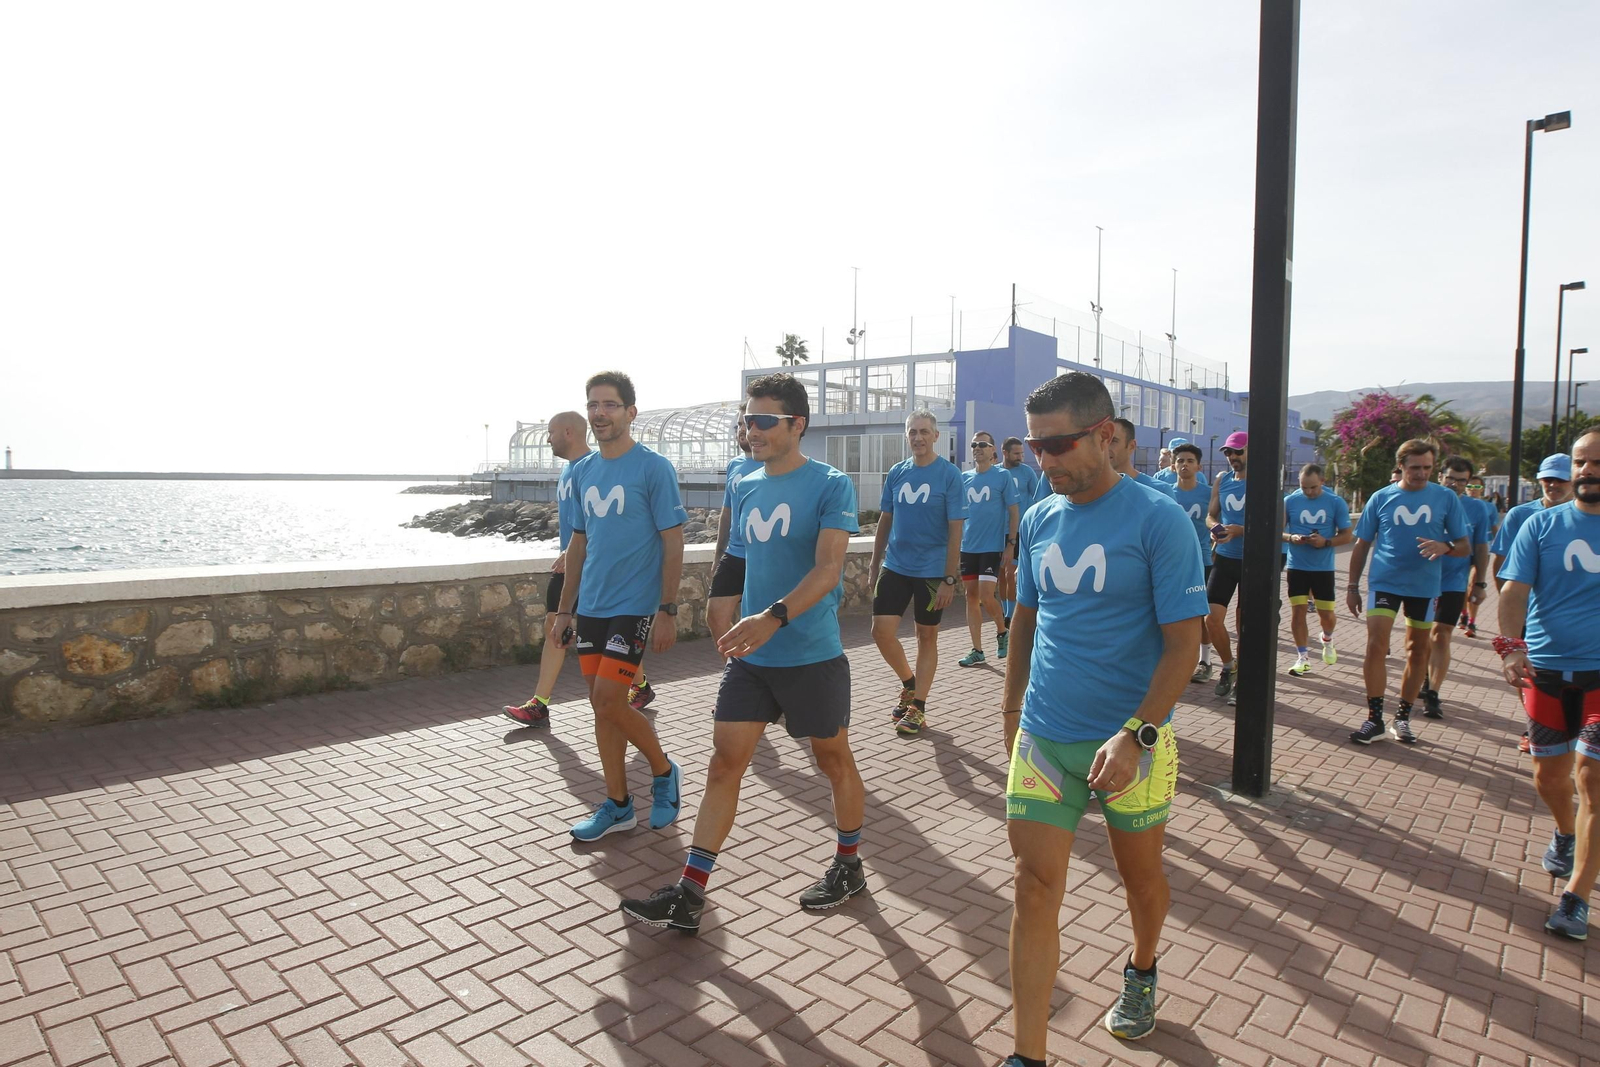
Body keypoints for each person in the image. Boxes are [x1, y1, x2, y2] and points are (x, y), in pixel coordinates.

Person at [1001, 372, 1207, 1057]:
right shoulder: (1037, 517)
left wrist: (1137, 732)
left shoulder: (1159, 519)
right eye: (1035, 446)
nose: (1044, 459)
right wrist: (1012, 715)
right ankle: (1029, 1051)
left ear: (1106, 434)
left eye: (1057, 443)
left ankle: (1142, 964)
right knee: (1034, 889)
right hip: (1045, 738)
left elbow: (1185, 644)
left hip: (1133, 745)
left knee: (1141, 879)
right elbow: (1026, 623)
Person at [620, 373, 865, 932]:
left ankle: (848, 863)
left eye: (763, 420)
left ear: (796, 425)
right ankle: (690, 891)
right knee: (724, 762)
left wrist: (772, 616)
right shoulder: (744, 481)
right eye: (747, 419)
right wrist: (718, 603)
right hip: (753, 659)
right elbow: (735, 554)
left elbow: (829, 570)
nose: (750, 430)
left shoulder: (831, 484)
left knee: (832, 762)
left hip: (810, 653)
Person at [551, 371, 688, 841]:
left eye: (610, 405)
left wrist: (668, 608)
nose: (599, 413)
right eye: (593, 405)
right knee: (600, 706)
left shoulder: (653, 468)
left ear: (631, 412)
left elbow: (674, 543)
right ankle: (618, 804)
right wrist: (565, 610)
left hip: (635, 604)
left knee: (610, 698)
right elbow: (577, 546)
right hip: (592, 605)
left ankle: (664, 770)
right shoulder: (582, 471)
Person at [1496, 429, 1600, 940]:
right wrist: (1512, 646)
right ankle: (1563, 830)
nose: (1588, 471)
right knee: (1550, 778)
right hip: (1547, 671)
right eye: (1581, 462)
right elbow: (1514, 592)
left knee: (1592, 780)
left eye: (1596, 462)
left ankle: (1576, 896)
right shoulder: (1540, 526)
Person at [1345, 439, 1469, 746]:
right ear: (1400, 466)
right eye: (1415, 468)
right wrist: (1351, 586)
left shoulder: (1446, 498)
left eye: (1428, 467)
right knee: (1376, 645)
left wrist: (1446, 547)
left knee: (1417, 650)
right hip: (1385, 582)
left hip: (1424, 587)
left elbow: (1464, 545)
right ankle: (1374, 719)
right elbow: (1361, 544)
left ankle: (1402, 718)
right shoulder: (1381, 497)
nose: (1422, 474)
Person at [870, 410, 966, 738]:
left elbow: (956, 529)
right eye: (913, 432)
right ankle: (909, 684)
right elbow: (885, 519)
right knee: (881, 632)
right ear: (907, 436)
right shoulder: (897, 472)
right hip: (895, 565)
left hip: (931, 571)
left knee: (927, 636)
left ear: (936, 436)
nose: (918, 438)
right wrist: (873, 563)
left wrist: (949, 578)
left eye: (924, 431)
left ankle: (918, 707)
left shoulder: (950, 475)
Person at [504, 411, 591, 727]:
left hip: (587, 565)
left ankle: (639, 686)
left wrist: (572, 554)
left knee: (592, 631)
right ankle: (539, 703)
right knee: (554, 626)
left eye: (551, 433)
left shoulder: (591, 470)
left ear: (569, 432)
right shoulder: (567, 471)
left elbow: (599, 522)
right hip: (567, 564)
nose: (548, 439)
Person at [1492, 455, 1574, 754]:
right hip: (1528, 611)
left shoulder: (1585, 517)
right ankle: (1533, 722)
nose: (1553, 485)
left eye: (1560, 479)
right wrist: (1511, 604)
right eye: (1547, 479)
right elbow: (1501, 564)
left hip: (1566, 615)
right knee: (1528, 671)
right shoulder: (1520, 515)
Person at [1417, 457, 1492, 718]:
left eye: (1462, 480)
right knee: (1420, 637)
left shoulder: (1477, 509)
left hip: (1454, 582)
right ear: (1440, 476)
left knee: (1441, 634)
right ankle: (1423, 677)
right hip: (1421, 580)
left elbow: (1481, 548)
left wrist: (1480, 583)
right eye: (1450, 478)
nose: (1455, 484)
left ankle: (1434, 692)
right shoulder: (1423, 498)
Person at [1280, 463, 1352, 677]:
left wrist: (1326, 542)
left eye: (1312, 487)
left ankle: (1327, 638)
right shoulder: (1290, 501)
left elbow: (1348, 535)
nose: (1308, 492)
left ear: (1322, 481)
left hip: (1323, 568)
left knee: (1327, 615)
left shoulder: (1335, 502)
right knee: (1298, 611)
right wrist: (1291, 537)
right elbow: (1277, 530)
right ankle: (1302, 657)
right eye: (1304, 487)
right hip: (1297, 565)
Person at [957, 431, 1020, 667]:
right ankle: (977, 650)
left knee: (985, 595)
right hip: (968, 547)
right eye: (974, 444)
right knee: (970, 596)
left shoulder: (1002, 476)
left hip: (992, 547)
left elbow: (1014, 512)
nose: (977, 448)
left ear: (993, 450)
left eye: (982, 444)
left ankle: (1002, 631)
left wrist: (1010, 544)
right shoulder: (964, 478)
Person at [708, 403, 762, 643]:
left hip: (761, 556)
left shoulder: (770, 463)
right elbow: (727, 513)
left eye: (746, 424)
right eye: (738, 425)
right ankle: (738, 670)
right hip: (734, 554)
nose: (741, 430)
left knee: (754, 621)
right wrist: (718, 555)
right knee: (715, 616)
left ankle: (750, 674)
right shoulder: (734, 464)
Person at [1205, 431, 1251, 704]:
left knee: (1244, 624)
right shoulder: (1222, 480)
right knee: (1211, 619)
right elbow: (1212, 515)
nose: (1232, 457)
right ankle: (1228, 666)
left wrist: (1241, 530)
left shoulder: (1264, 481)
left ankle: (1243, 683)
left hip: (1252, 561)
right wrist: (1216, 529)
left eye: (1238, 452)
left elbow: (1276, 524)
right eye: (1228, 453)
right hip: (1224, 557)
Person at [1169, 443, 1217, 683]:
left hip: (1202, 560)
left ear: (1199, 466)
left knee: (1200, 613)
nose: (1184, 465)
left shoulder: (1208, 493)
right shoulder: (1166, 493)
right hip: (1172, 562)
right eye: (1179, 461)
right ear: (1173, 465)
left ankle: (1205, 661)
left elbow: (1218, 521)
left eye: (1189, 460)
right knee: (1170, 612)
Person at [998, 436, 1040, 627]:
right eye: (1016, 453)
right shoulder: (996, 473)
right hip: (998, 531)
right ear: (1005, 453)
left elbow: (1038, 498)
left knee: (1012, 573)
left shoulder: (1027, 472)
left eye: (1022, 453)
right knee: (1001, 574)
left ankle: (1012, 615)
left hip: (1021, 531)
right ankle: (1006, 610)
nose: (1021, 457)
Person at [1458, 476, 1500, 637]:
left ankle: (1472, 622)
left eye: (1477, 486)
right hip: (1463, 549)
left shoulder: (1489, 507)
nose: (1473, 488)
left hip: (1483, 549)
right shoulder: (1458, 504)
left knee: (1474, 584)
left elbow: (1495, 528)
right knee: (1462, 584)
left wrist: (1500, 547)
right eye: (1470, 485)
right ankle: (1463, 614)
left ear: (1482, 489)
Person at [1110, 419, 1177, 498]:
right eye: (1101, 440)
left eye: (1113, 441)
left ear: (1131, 446)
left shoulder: (1159, 491)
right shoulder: (1094, 492)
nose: (1105, 446)